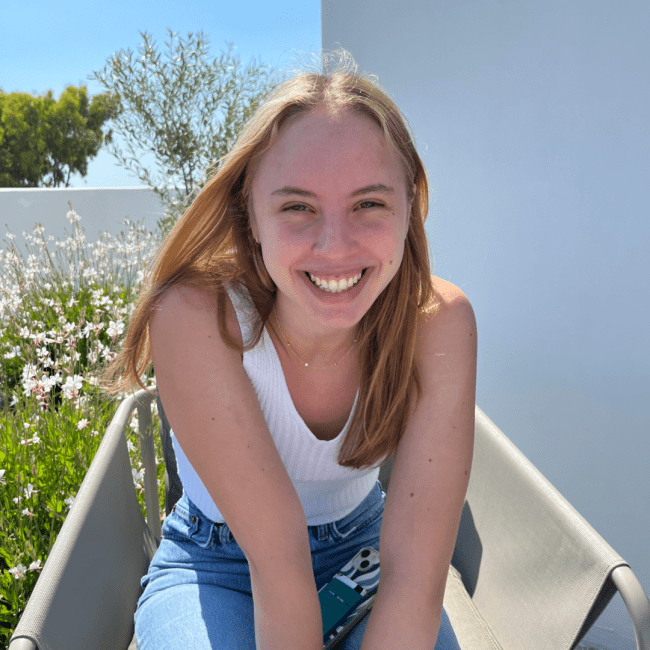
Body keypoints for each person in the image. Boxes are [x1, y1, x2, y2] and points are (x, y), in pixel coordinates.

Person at [101, 51, 476, 650]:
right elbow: (278, 563)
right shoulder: (198, 317)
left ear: (411, 205)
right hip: (218, 564)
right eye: (297, 206)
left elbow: (416, 576)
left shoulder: (437, 322)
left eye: (369, 204)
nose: (335, 244)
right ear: (250, 214)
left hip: (365, 555)